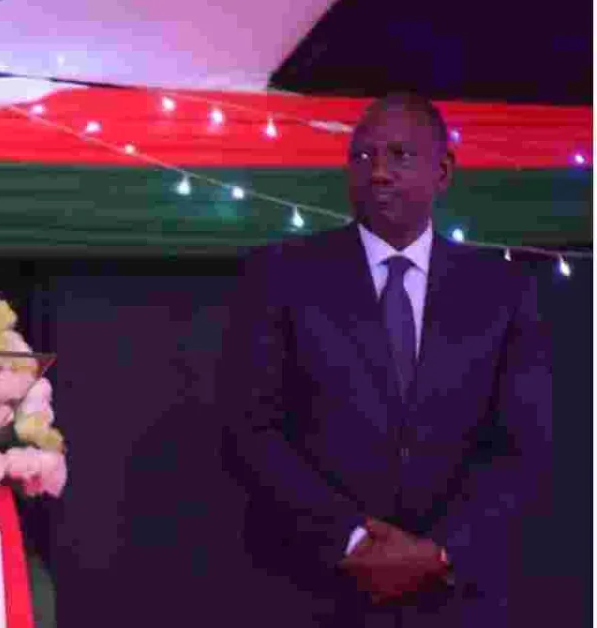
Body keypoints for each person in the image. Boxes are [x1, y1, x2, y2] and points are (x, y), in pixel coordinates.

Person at [219, 93, 551, 627]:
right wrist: (353, 541)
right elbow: (250, 429)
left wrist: (437, 552)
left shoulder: (503, 289)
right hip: (317, 591)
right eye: (364, 156)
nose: (378, 172)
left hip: (457, 600)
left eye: (400, 155)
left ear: (443, 172)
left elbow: (522, 446)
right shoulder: (281, 275)